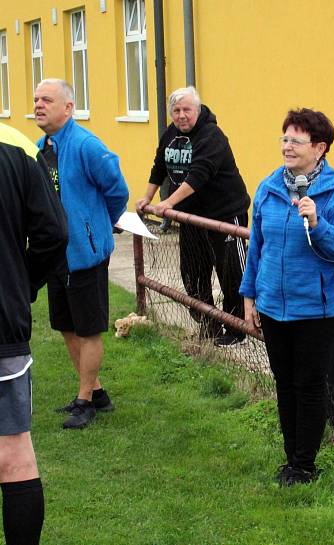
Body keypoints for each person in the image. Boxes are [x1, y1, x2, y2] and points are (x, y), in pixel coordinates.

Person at [240, 108, 334, 486]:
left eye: (296, 140)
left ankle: (304, 465)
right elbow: (256, 247)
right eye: (284, 139)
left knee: (308, 386)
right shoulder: (268, 187)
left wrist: (318, 223)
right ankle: (290, 456)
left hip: (316, 309)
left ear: (320, 147)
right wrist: (249, 295)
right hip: (273, 306)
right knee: (284, 382)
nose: (287, 146)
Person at [34, 79, 129, 429]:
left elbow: (117, 189)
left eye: (47, 99)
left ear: (68, 108)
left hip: (85, 253)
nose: (39, 105)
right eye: (36, 100)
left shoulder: (87, 145)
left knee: (88, 329)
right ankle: (97, 392)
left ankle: (85, 401)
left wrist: (102, 224)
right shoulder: (41, 148)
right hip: (57, 254)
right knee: (66, 325)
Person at [136, 86, 251, 347]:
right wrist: (148, 197)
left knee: (231, 273)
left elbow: (199, 175)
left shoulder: (212, 136)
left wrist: (167, 204)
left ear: (198, 110)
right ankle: (209, 324)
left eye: (187, 110)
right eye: (176, 111)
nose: (181, 116)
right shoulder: (171, 134)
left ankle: (238, 328)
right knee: (192, 275)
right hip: (191, 218)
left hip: (224, 215)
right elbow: (159, 167)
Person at [0, 122, 67, 545]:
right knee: (14, 452)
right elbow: (54, 233)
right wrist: (20, 284)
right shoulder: (18, 145)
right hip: (2, 323)